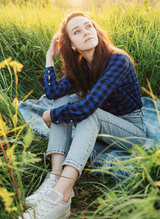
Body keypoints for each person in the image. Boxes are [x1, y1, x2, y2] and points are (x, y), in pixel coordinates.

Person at [21, 11, 146, 219]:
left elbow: (87, 109)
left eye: (88, 26)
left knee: (85, 113)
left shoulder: (118, 60)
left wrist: (52, 115)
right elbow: (53, 93)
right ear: (71, 44)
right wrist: (49, 57)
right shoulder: (81, 65)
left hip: (131, 129)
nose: (86, 32)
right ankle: (54, 176)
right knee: (61, 101)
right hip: (102, 120)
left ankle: (61, 194)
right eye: (77, 32)